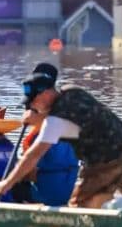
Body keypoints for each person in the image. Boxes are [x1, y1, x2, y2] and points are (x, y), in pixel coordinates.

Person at [0, 69, 122, 211]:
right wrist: (40, 116)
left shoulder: (54, 123)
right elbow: (68, 114)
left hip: (106, 160)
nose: (32, 107)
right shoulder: (72, 90)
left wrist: (7, 183)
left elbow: (33, 156)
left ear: (44, 94)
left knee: (79, 205)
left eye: (33, 103)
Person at [12, 62, 80, 206]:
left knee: (13, 183)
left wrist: (11, 179)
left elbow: (31, 166)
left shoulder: (46, 130)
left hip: (48, 192)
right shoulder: (68, 120)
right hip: (68, 182)